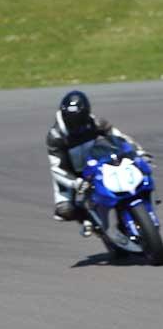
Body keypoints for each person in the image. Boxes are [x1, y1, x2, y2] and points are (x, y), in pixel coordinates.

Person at [47, 90, 148, 236]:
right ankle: (88, 219)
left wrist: (139, 152)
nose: (75, 124)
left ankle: (134, 212)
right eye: (71, 119)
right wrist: (76, 183)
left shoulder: (96, 123)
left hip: (96, 164)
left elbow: (120, 137)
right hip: (70, 174)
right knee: (64, 210)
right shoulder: (55, 136)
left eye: (79, 119)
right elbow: (57, 168)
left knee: (128, 178)